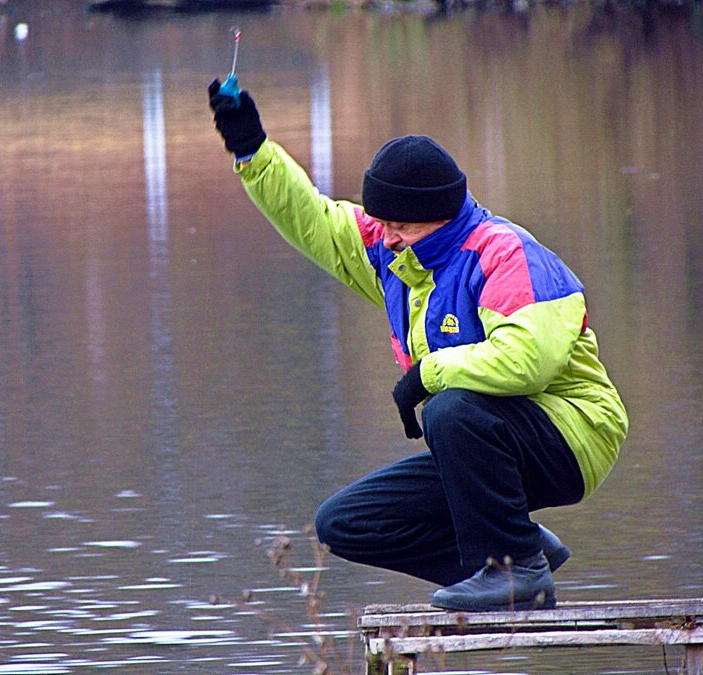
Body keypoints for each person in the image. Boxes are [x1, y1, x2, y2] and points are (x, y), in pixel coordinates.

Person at [208, 80, 628, 612]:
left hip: (574, 432)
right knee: (344, 524)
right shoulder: (396, 255)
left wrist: (426, 376)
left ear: (441, 215)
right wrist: (252, 148)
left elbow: (527, 364)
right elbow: (314, 219)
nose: (385, 237)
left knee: (449, 409)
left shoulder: (507, 255)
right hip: (483, 443)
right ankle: (511, 555)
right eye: (380, 222)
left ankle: (520, 567)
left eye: (400, 225)